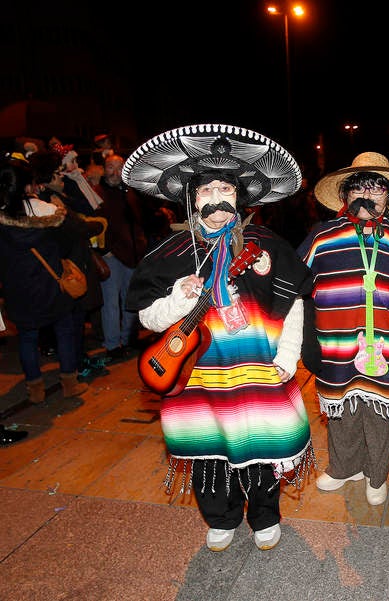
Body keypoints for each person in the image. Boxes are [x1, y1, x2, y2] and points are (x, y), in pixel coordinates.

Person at [123, 123, 314, 552]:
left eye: (224, 191)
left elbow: (294, 303)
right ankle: (221, 518)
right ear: (192, 201)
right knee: (208, 454)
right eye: (205, 192)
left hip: (258, 368)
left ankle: (265, 516)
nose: (215, 200)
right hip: (196, 376)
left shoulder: (268, 245)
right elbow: (151, 319)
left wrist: (287, 355)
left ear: (239, 198)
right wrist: (177, 297)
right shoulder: (167, 254)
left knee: (262, 448)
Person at [298, 152, 389, 506]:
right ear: (345, 195)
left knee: (378, 410)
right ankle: (343, 466)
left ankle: (376, 473)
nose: (367, 194)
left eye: (376, 187)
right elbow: (301, 293)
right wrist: (308, 343)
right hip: (334, 343)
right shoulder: (321, 238)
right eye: (358, 187)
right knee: (340, 408)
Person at [0, 154, 89, 403]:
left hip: (18, 291)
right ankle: (70, 384)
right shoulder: (49, 211)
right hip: (52, 287)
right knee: (64, 332)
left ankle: (35, 390)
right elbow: (71, 240)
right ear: (28, 185)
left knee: (28, 339)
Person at [94, 153, 149, 360]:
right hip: (111, 254)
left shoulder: (129, 193)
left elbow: (139, 220)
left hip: (132, 252)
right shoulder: (97, 193)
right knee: (111, 302)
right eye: (110, 167)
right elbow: (95, 223)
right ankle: (112, 344)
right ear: (103, 168)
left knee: (129, 298)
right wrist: (104, 249)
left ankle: (128, 338)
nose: (115, 172)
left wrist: (141, 242)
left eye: (120, 167)